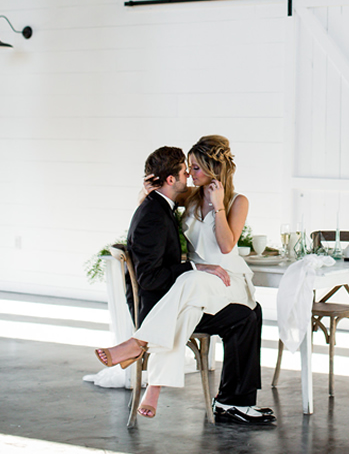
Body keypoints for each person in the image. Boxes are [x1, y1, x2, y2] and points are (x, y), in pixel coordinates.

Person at [95, 138, 274, 426]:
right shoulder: (189, 195)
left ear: (212, 169)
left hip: (226, 280)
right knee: (191, 303)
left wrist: (218, 207)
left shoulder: (237, 201)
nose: (190, 174)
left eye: (195, 168)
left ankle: (139, 344)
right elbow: (157, 202)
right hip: (196, 282)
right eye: (187, 168)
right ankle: (175, 391)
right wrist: (145, 191)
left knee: (196, 284)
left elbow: (227, 247)